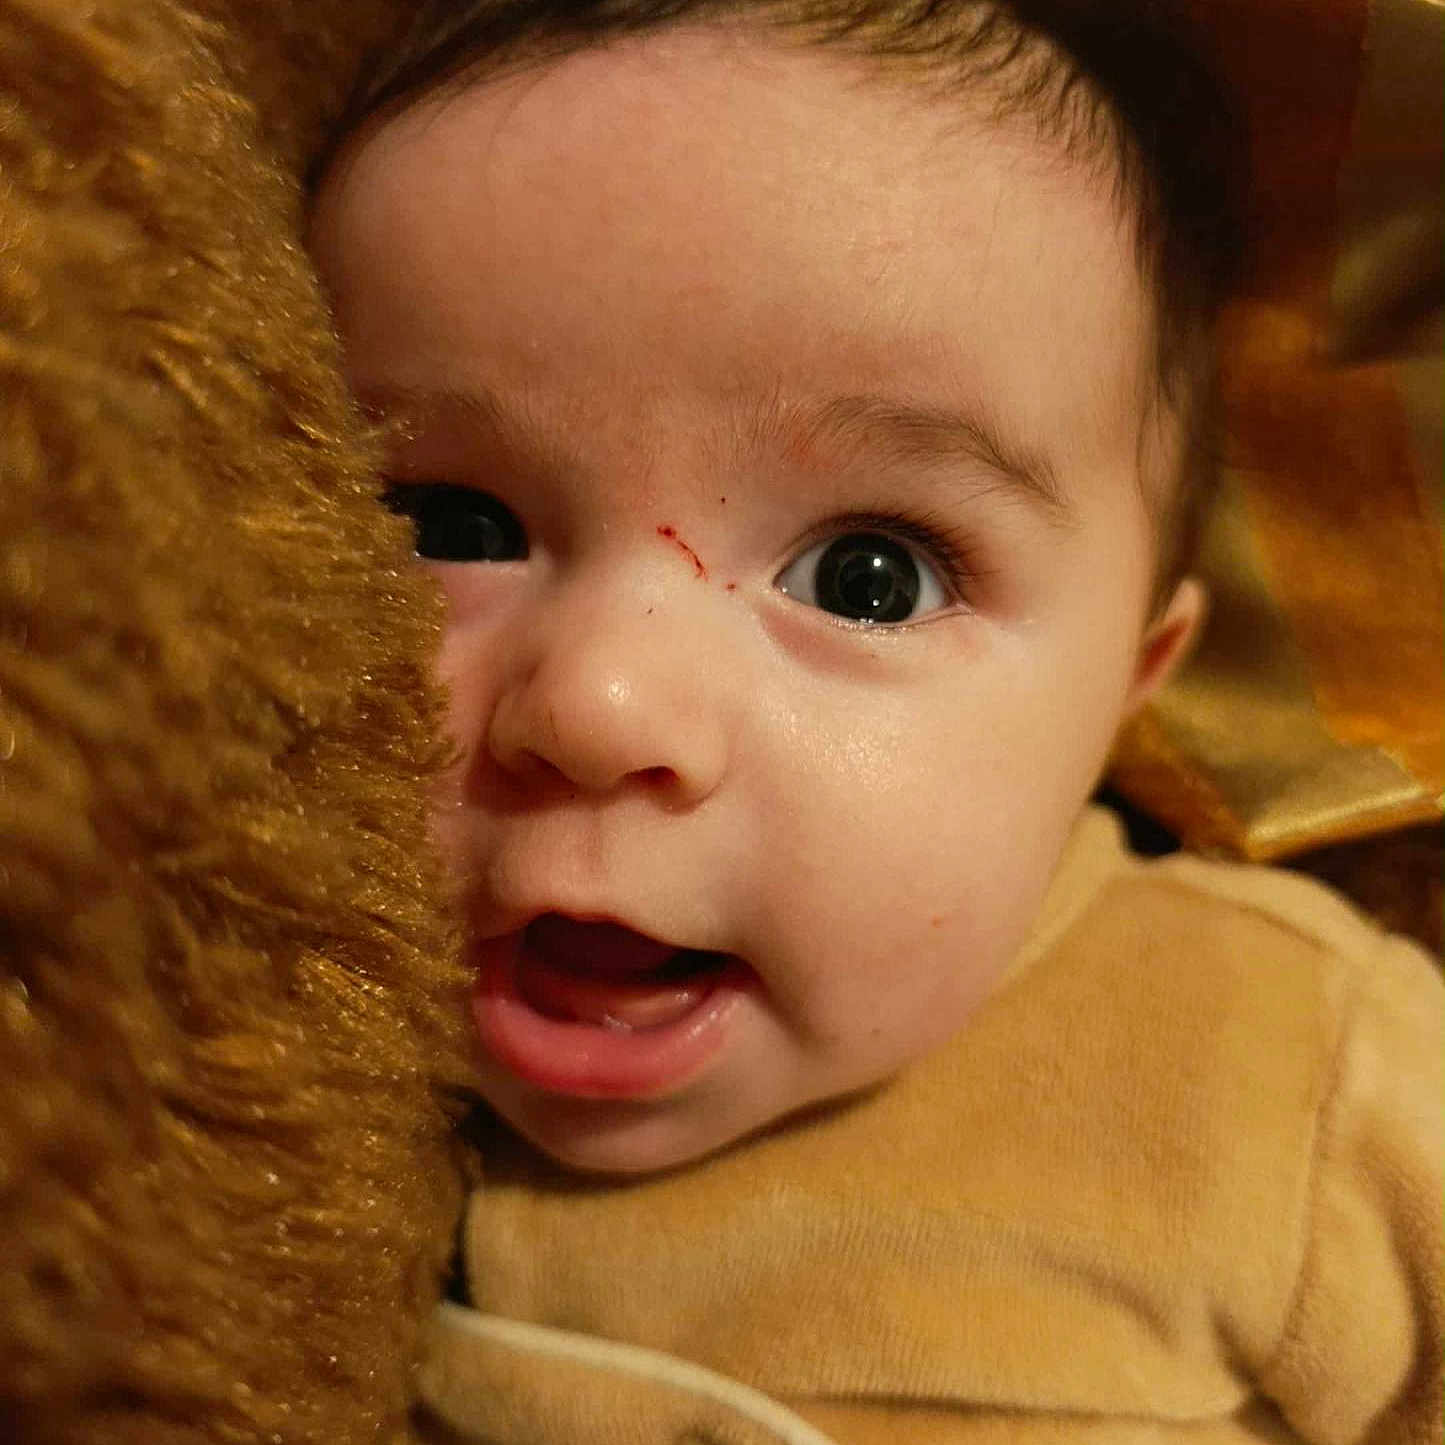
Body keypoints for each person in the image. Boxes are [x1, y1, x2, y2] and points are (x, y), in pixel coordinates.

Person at [307, 2, 1443, 1439]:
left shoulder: (1283, 1058)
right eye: (450, 522)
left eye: (868, 577)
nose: (597, 706)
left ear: (1125, 690)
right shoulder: (282, 1067)